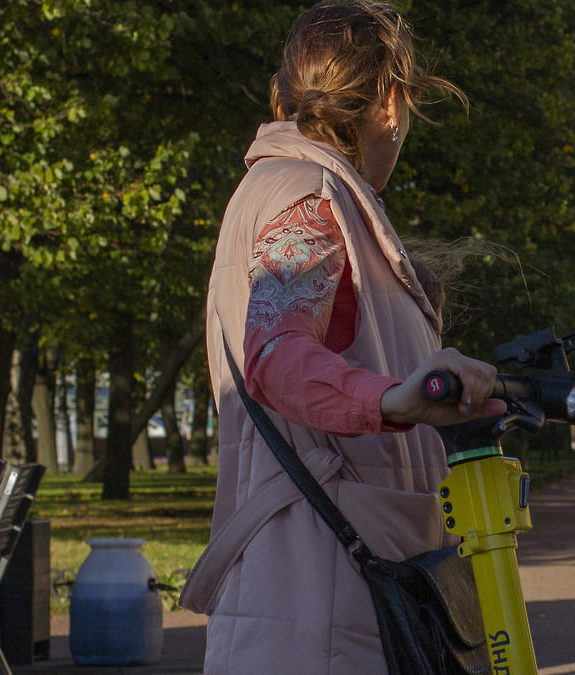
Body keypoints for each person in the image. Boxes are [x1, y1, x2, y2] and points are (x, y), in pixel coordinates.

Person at [178, 3, 506, 672]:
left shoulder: (303, 192)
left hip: (323, 592)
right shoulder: (307, 193)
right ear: (390, 102)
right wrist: (394, 400)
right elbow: (276, 353)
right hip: (324, 601)